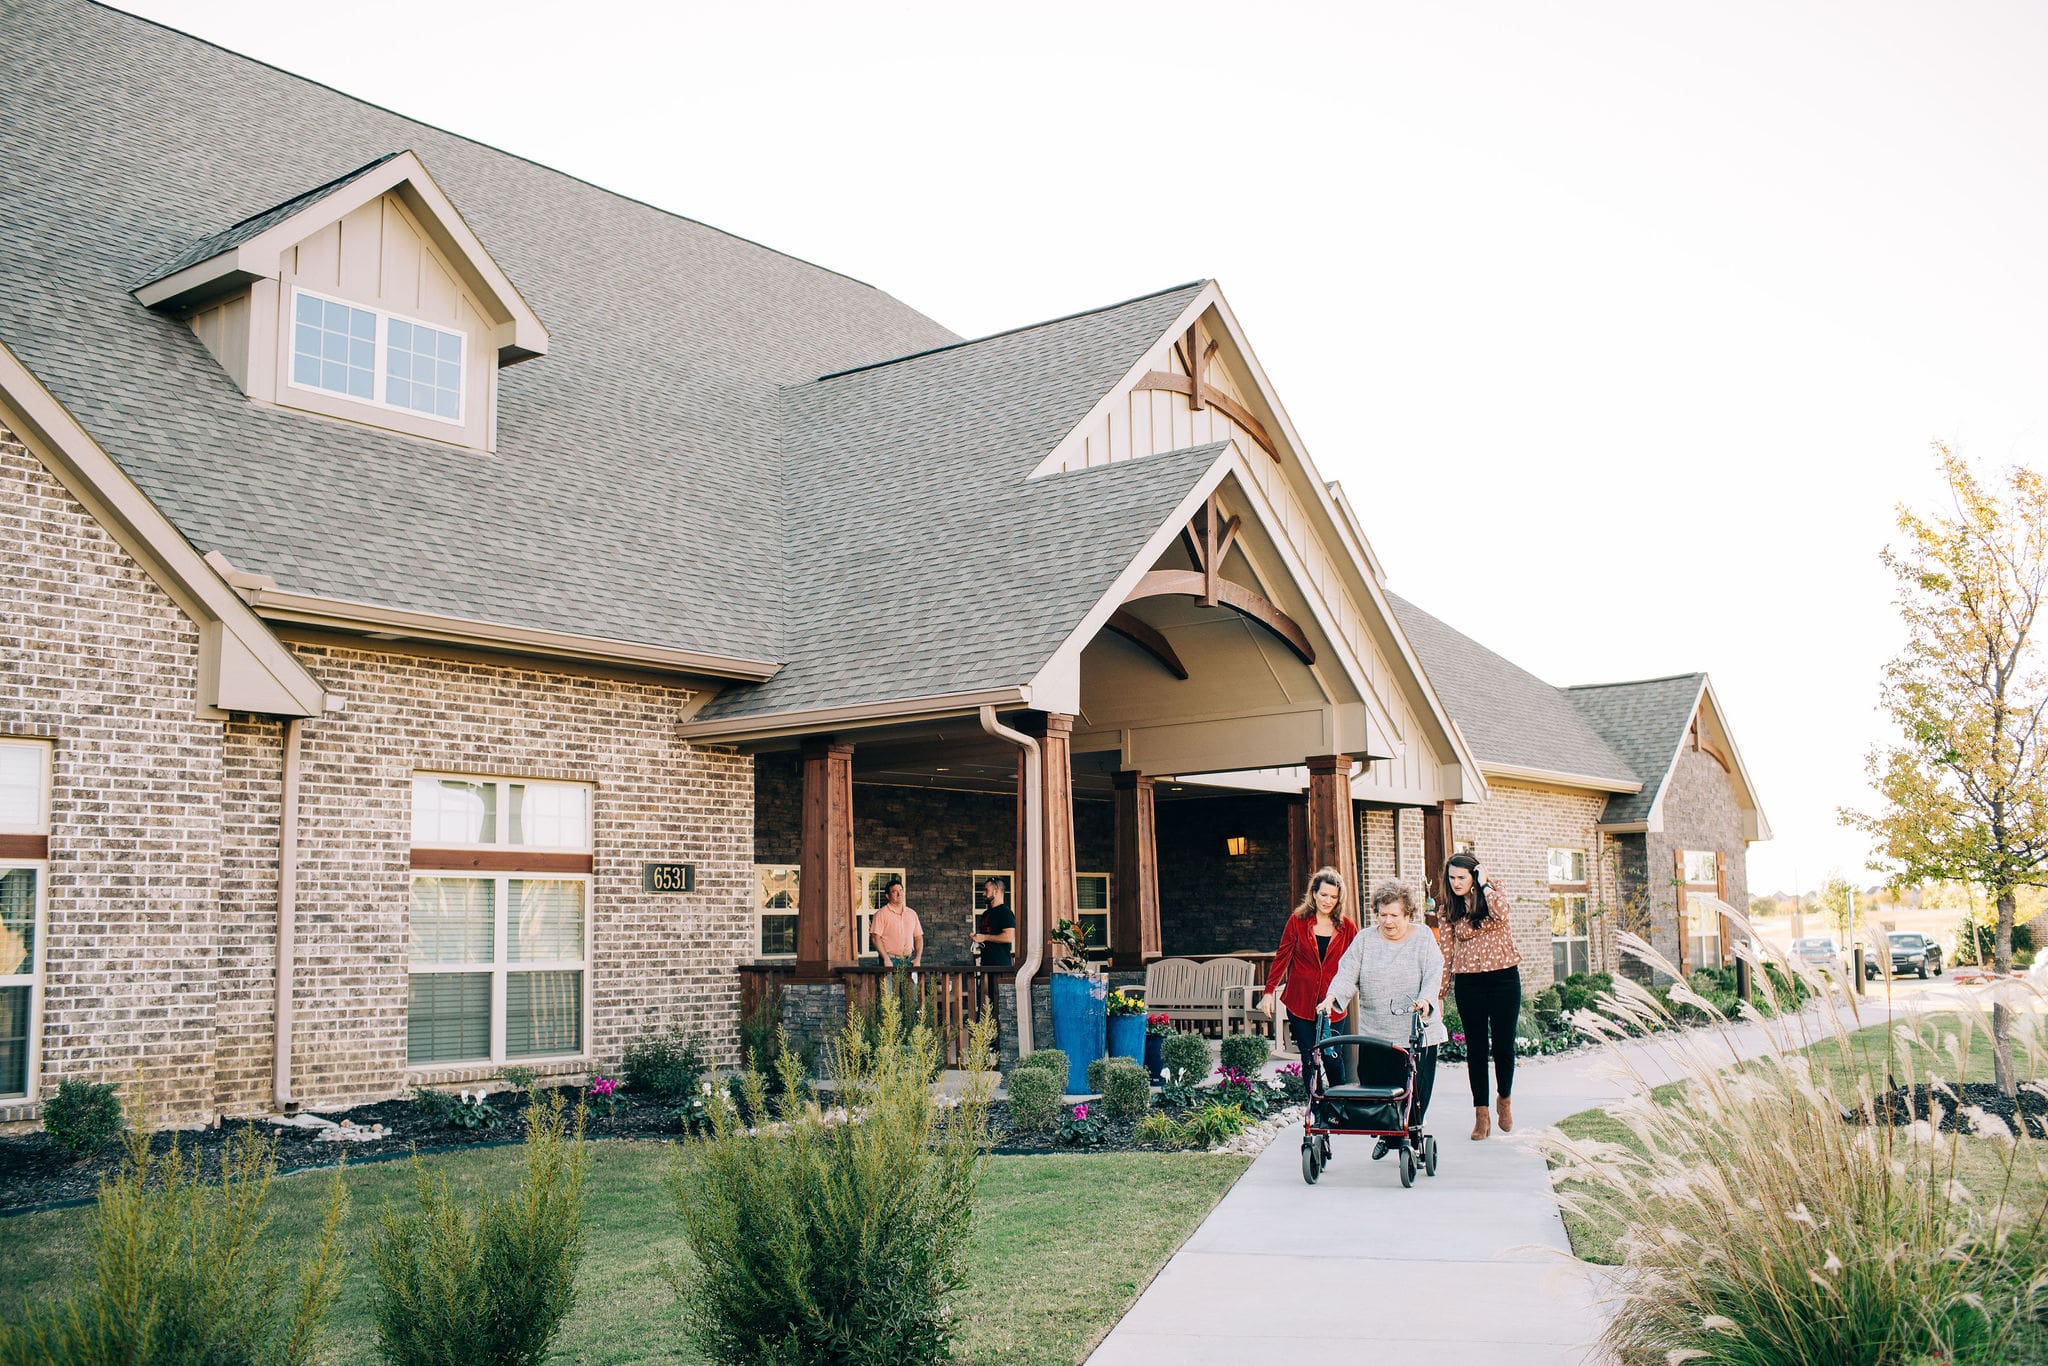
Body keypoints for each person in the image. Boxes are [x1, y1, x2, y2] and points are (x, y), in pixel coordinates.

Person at [1438, 851, 1520, 1140]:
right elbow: (1446, 952)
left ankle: (1505, 1100)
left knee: (1503, 1047)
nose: (1456, 882)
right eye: (1452, 877)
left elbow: (1502, 912)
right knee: (1475, 1049)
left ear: (1475, 875)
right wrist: (1440, 992)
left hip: (1504, 978)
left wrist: (1485, 885)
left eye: (1462, 877)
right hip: (1469, 982)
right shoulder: (1448, 908)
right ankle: (1481, 1113)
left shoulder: (1495, 892)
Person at [1259, 867, 1359, 1068]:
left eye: (1333, 897)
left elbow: (1357, 964)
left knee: (1332, 1057)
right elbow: (1282, 958)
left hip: (1333, 1005)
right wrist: (1268, 992)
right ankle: (1315, 1100)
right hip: (1300, 1001)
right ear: (1314, 893)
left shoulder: (1347, 927)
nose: (1327, 901)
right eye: (1323, 895)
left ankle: (1336, 1099)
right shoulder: (1297, 921)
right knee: (1309, 1058)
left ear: (1339, 899)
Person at [869, 878, 923, 968]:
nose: (899, 894)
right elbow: (875, 938)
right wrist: (886, 959)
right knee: (887, 983)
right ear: (887, 896)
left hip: (909, 961)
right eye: (894, 892)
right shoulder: (881, 914)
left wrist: (918, 958)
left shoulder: (912, 914)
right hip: (889, 961)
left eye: (901, 890)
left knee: (910, 983)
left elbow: (918, 937)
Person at [971, 876, 1016, 968]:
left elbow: (1008, 937)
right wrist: (977, 938)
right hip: (985, 965)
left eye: (986, 890)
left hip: (1000, 967)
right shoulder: (985, 914)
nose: (983, 893)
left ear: (996, 892)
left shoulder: (1005, 912)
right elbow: (986, 936)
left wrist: (984, 937)